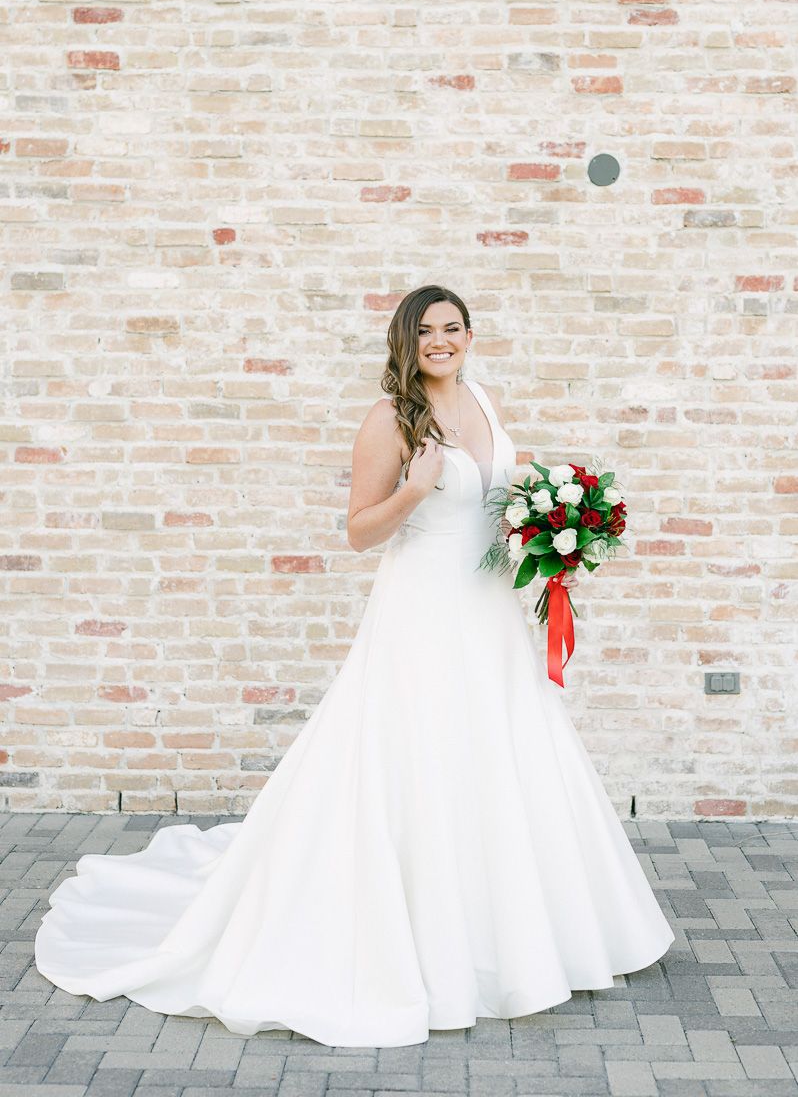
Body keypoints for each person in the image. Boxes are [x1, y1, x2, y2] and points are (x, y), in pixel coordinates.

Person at [34, 284, 675, 1049]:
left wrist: (553, 517)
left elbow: (501, 491)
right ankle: (416, 938)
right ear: (407, 342)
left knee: (500, 753)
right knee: (420, 755)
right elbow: (359, 533)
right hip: (424, 615)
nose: (441, 341)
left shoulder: (482, 398)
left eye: (453, 328)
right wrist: (413, 488)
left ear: (470, 335)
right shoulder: (387, 420)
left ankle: (518, 932)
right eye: (426, 331)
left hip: (492, 612)